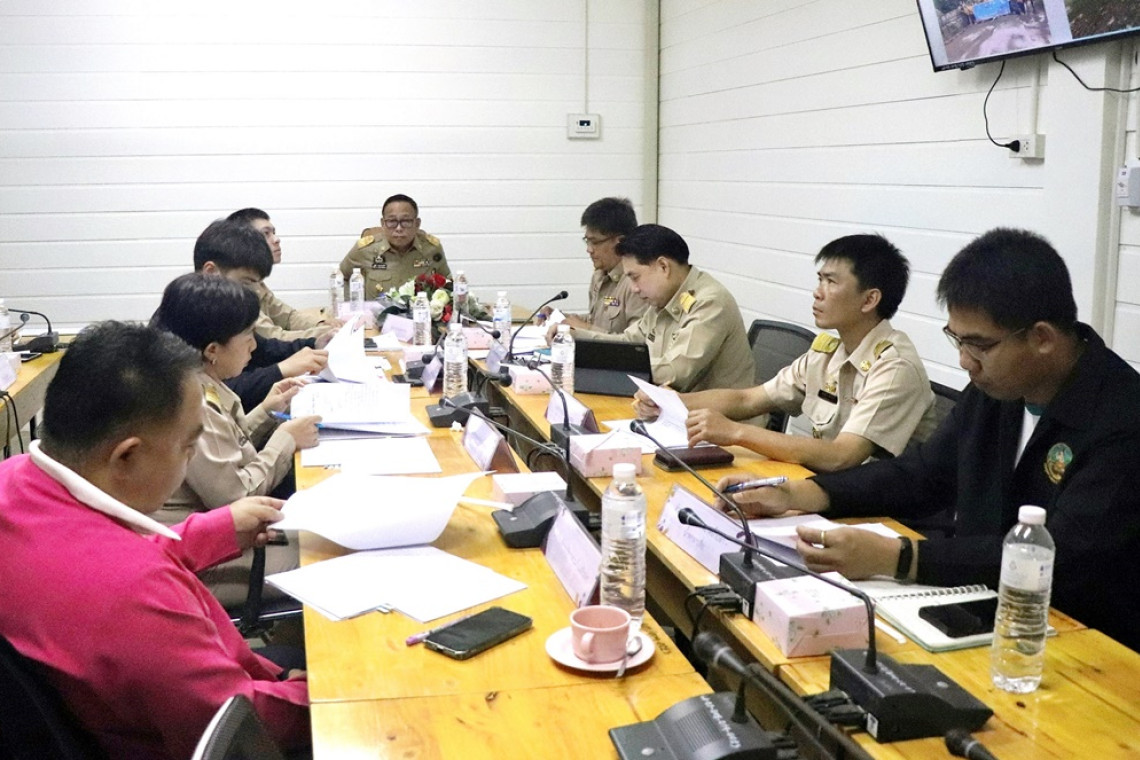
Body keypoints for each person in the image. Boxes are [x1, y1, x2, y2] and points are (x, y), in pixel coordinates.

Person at [722, 228, 1140, 651]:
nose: (964, 361)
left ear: (1042, 338)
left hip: (1082, 641)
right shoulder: (998, 390)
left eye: (978, 345)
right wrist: (800, 493)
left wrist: (900, 558)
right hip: (976, 607)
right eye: (956, 339)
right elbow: (922, 474)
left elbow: (1062, 558)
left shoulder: (1122, 418)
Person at [0, 321, 310, 758]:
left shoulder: (14, 479)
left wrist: (217, 529)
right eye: (187, 447)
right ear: (128, 455)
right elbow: (241, 722)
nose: (190, 459)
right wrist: (327, 694)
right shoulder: (138, 594)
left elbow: (97, 555)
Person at [635, 234, 937, 472]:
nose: (817, 291)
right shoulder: (828, 353)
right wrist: (667, 402)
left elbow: (841, 456)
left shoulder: (894, 367)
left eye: (831, 282)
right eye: (819, 279)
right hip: (826, 486)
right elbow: (748, 399)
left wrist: (736, 433)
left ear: (869, 300)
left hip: (884, 514)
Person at [153, 273, 321, 608]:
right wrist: (285, 439)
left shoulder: (193, 377)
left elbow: (229, 447)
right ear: (213, 350)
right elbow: (236, 497)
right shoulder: (191, 401)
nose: (254, 346)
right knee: (325, 554)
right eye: (247, 337)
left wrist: (268, 410)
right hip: (198, 561)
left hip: (207, 538)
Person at [567, 224, 753, 393]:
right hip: (674, 409)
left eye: (635, 277)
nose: (633, 288)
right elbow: (629, 342)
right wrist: (574, 337)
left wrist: (605, 364)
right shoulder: (664, 298)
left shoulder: (709, 302)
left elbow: (676, 372)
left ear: (663, 267)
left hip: (720, 416)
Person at [194, 217, 331, 411]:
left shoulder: (223, 309)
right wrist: (280, 370)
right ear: (211, 272)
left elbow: (264, 348)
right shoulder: (184, 319)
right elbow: (218, 394)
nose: (254, 293)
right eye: (246, 283)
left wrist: (313, 343)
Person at [227, 207, 343, 341]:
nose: (276, 239)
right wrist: (328, 332)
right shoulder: (235, 289)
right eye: (266, 234)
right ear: (242, 240)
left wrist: (321, 324)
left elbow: (288, 317)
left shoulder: (256, 281)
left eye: (274, 233)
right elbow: (274, 338)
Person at [543, 197, 648, 333]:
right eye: (587, 241)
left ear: (620, 241)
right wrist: (560, 318)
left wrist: (585, 329)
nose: (589, 249)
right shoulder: (599, 275)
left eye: (595, 242)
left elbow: (636, 341)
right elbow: (595, 321)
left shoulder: (635, 284)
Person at [339, 193, 450, 300]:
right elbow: (341, 277)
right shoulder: (365, 250)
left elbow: (448, 285)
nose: (399, 228)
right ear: (383, 223)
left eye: (406, 221)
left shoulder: (432, 250)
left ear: (417, 223)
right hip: (377, 313)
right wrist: (352, 307)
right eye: (392, 221)